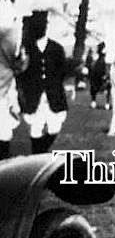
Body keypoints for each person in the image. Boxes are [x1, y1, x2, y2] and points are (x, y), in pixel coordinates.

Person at [17, 10, 68, 154]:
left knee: (54, 128)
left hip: (54, 96)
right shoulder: (27, 48)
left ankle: (40, 151)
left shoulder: (57, 48)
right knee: (35, 128)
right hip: (34, 97)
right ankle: (37, 154)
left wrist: (54, 85)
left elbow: (62, 70)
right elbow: (22, 73)